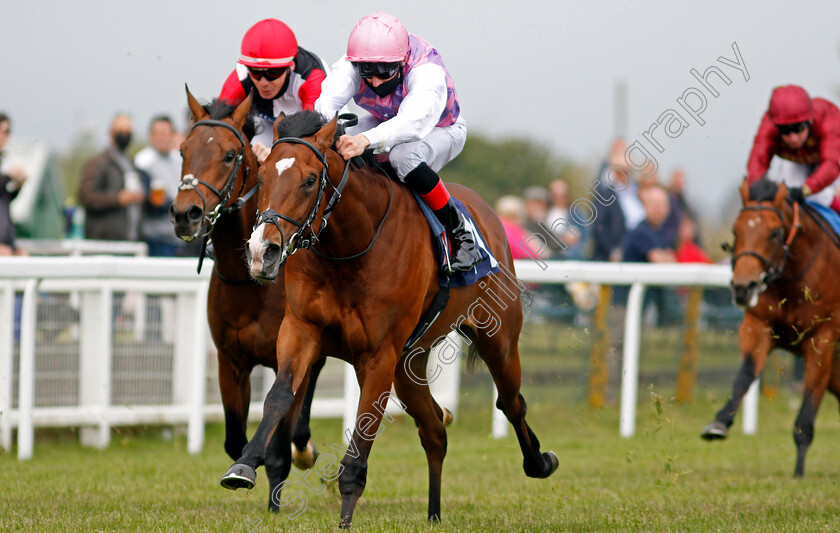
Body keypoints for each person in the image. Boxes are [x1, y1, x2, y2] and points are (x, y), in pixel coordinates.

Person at [315, 12, 481, 273]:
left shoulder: (426, 70)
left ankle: (460, 233)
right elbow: (326, 104)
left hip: (440, 129)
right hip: (385, 121)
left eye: (384, 73)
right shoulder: (355, 63)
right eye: (367, 74)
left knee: (402, 157)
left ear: (402, 61)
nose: (376, 82)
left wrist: (365, 140)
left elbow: (413, 123)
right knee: (334, 137)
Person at [220, 18, 326, 163]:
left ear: (291, 66)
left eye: (273, 73)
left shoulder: (311, 77)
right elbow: (219, 124)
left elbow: (312, 131)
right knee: (252, 152)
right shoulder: (241, 75)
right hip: (267, 125)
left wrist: (277, 151)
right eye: (255, 72)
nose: (263, 82)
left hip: (311, 123)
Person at [746, 85, 840, 212]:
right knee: (786, 196)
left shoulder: (827, 118)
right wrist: (757, 186)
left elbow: (831, 165)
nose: (793, 138)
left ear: (810, 120)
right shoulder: (769, 125)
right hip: (799, 161)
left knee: (818, 195)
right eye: (785, 130)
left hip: (834, 159)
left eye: (798, 128)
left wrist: (806, 189)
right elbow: (758, 159)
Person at [78, 113, 148, 241]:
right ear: (111, 133)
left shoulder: (131, 163)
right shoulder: (98, 163)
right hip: (105, 241)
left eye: (128, 131)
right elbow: (85, 196)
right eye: (121, 131)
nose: (125, 135)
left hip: (132, 240)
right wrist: (118, 198)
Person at [134, 115, 183, 256]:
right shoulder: (142, 161)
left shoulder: (179, 160)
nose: (161, 138)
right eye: (157, 133)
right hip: (156, 237)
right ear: (150, 136)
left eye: (165, 133)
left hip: (179, 238)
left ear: (173, 135)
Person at [0, 113, 27, 255]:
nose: (7, 137)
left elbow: (4, 199)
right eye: (5, 131)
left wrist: (18, 185)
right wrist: (9, 176)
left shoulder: (4, 158)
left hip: (6, 246)